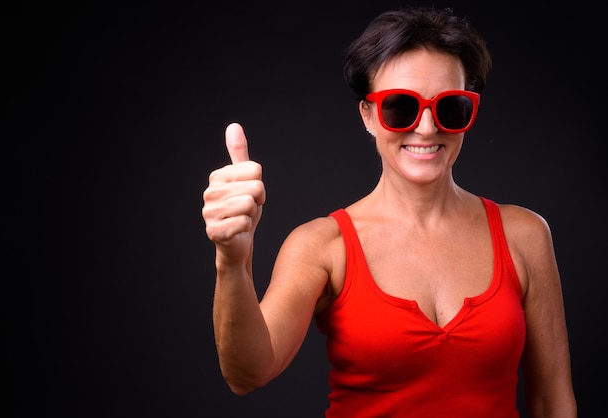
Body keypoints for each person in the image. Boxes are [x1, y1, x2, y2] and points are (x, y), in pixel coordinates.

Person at [201, 6, 577, 417]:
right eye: (401, 107)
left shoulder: (524, 235)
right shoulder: (323, 246)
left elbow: (553, 401)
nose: (428, 127)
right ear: (368, 115)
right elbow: (247, 373)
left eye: (450, 107)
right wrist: (232, 263)